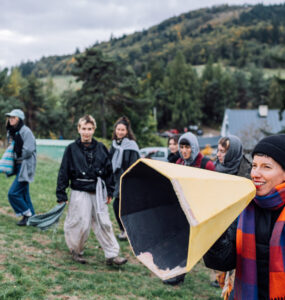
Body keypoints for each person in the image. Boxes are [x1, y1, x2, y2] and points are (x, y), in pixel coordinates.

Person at [204, 134, 285, 299]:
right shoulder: (244, 205)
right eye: (254, 165)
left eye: (266, 167)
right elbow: (223, 262)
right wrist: (214, 231)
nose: (255, 173)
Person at [56, 115, 127, 266]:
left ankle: (112, 255)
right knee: (80, 222)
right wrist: (61, 193)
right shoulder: (71, 149)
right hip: (79, 190)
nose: (86, 132)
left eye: (89, 129)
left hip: (98, 191)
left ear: (93, 130)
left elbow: (109, 171)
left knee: (104, 223)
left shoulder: (101, 148)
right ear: (78, 129)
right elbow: (64, 172)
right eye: (83, 129)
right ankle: (76, 250)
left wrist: (109, 190)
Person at [164, 132, 215, 286]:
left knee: (209, 244)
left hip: (202, 209)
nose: (184, 150)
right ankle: (179, 274)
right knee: (183, 242)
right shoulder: (179, 163)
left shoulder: (207, 164)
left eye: (187, 147)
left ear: (194, 147)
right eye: (182, 147)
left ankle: (217, 276)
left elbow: (213, 188)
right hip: (184, 209)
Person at [213, 135, 251, 298]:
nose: (218, 155)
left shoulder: (247, 174)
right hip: (222, 226)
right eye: (218, 150)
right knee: (222, 271)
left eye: (223, 151)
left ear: (233, 152)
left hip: (240, 229)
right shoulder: (218, 168)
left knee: (236, 278)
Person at [109, 116, 140, 241]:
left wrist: (129, 178)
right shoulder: (114, 145)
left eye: (123, 130)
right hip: (117, 180)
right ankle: (124, 230)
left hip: (128, 180)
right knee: (117, 206)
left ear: (127, 132)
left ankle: (129, 231)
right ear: (115, 130)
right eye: (118, 129)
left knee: (126, 206)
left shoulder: (131, 145)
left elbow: (135, 164)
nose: (120, 132)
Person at [6, 109, 36, 226]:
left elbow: (29, 149)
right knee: (24, 194)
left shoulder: (26, 131)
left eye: (13, 117)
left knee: (13, 193)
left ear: (19, 119)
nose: (10, 119)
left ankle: (27, 214)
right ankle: (31, 218)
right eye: (10, 117)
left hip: (25, 166)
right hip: (18, 165)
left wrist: (18, 154)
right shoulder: (13, 132)